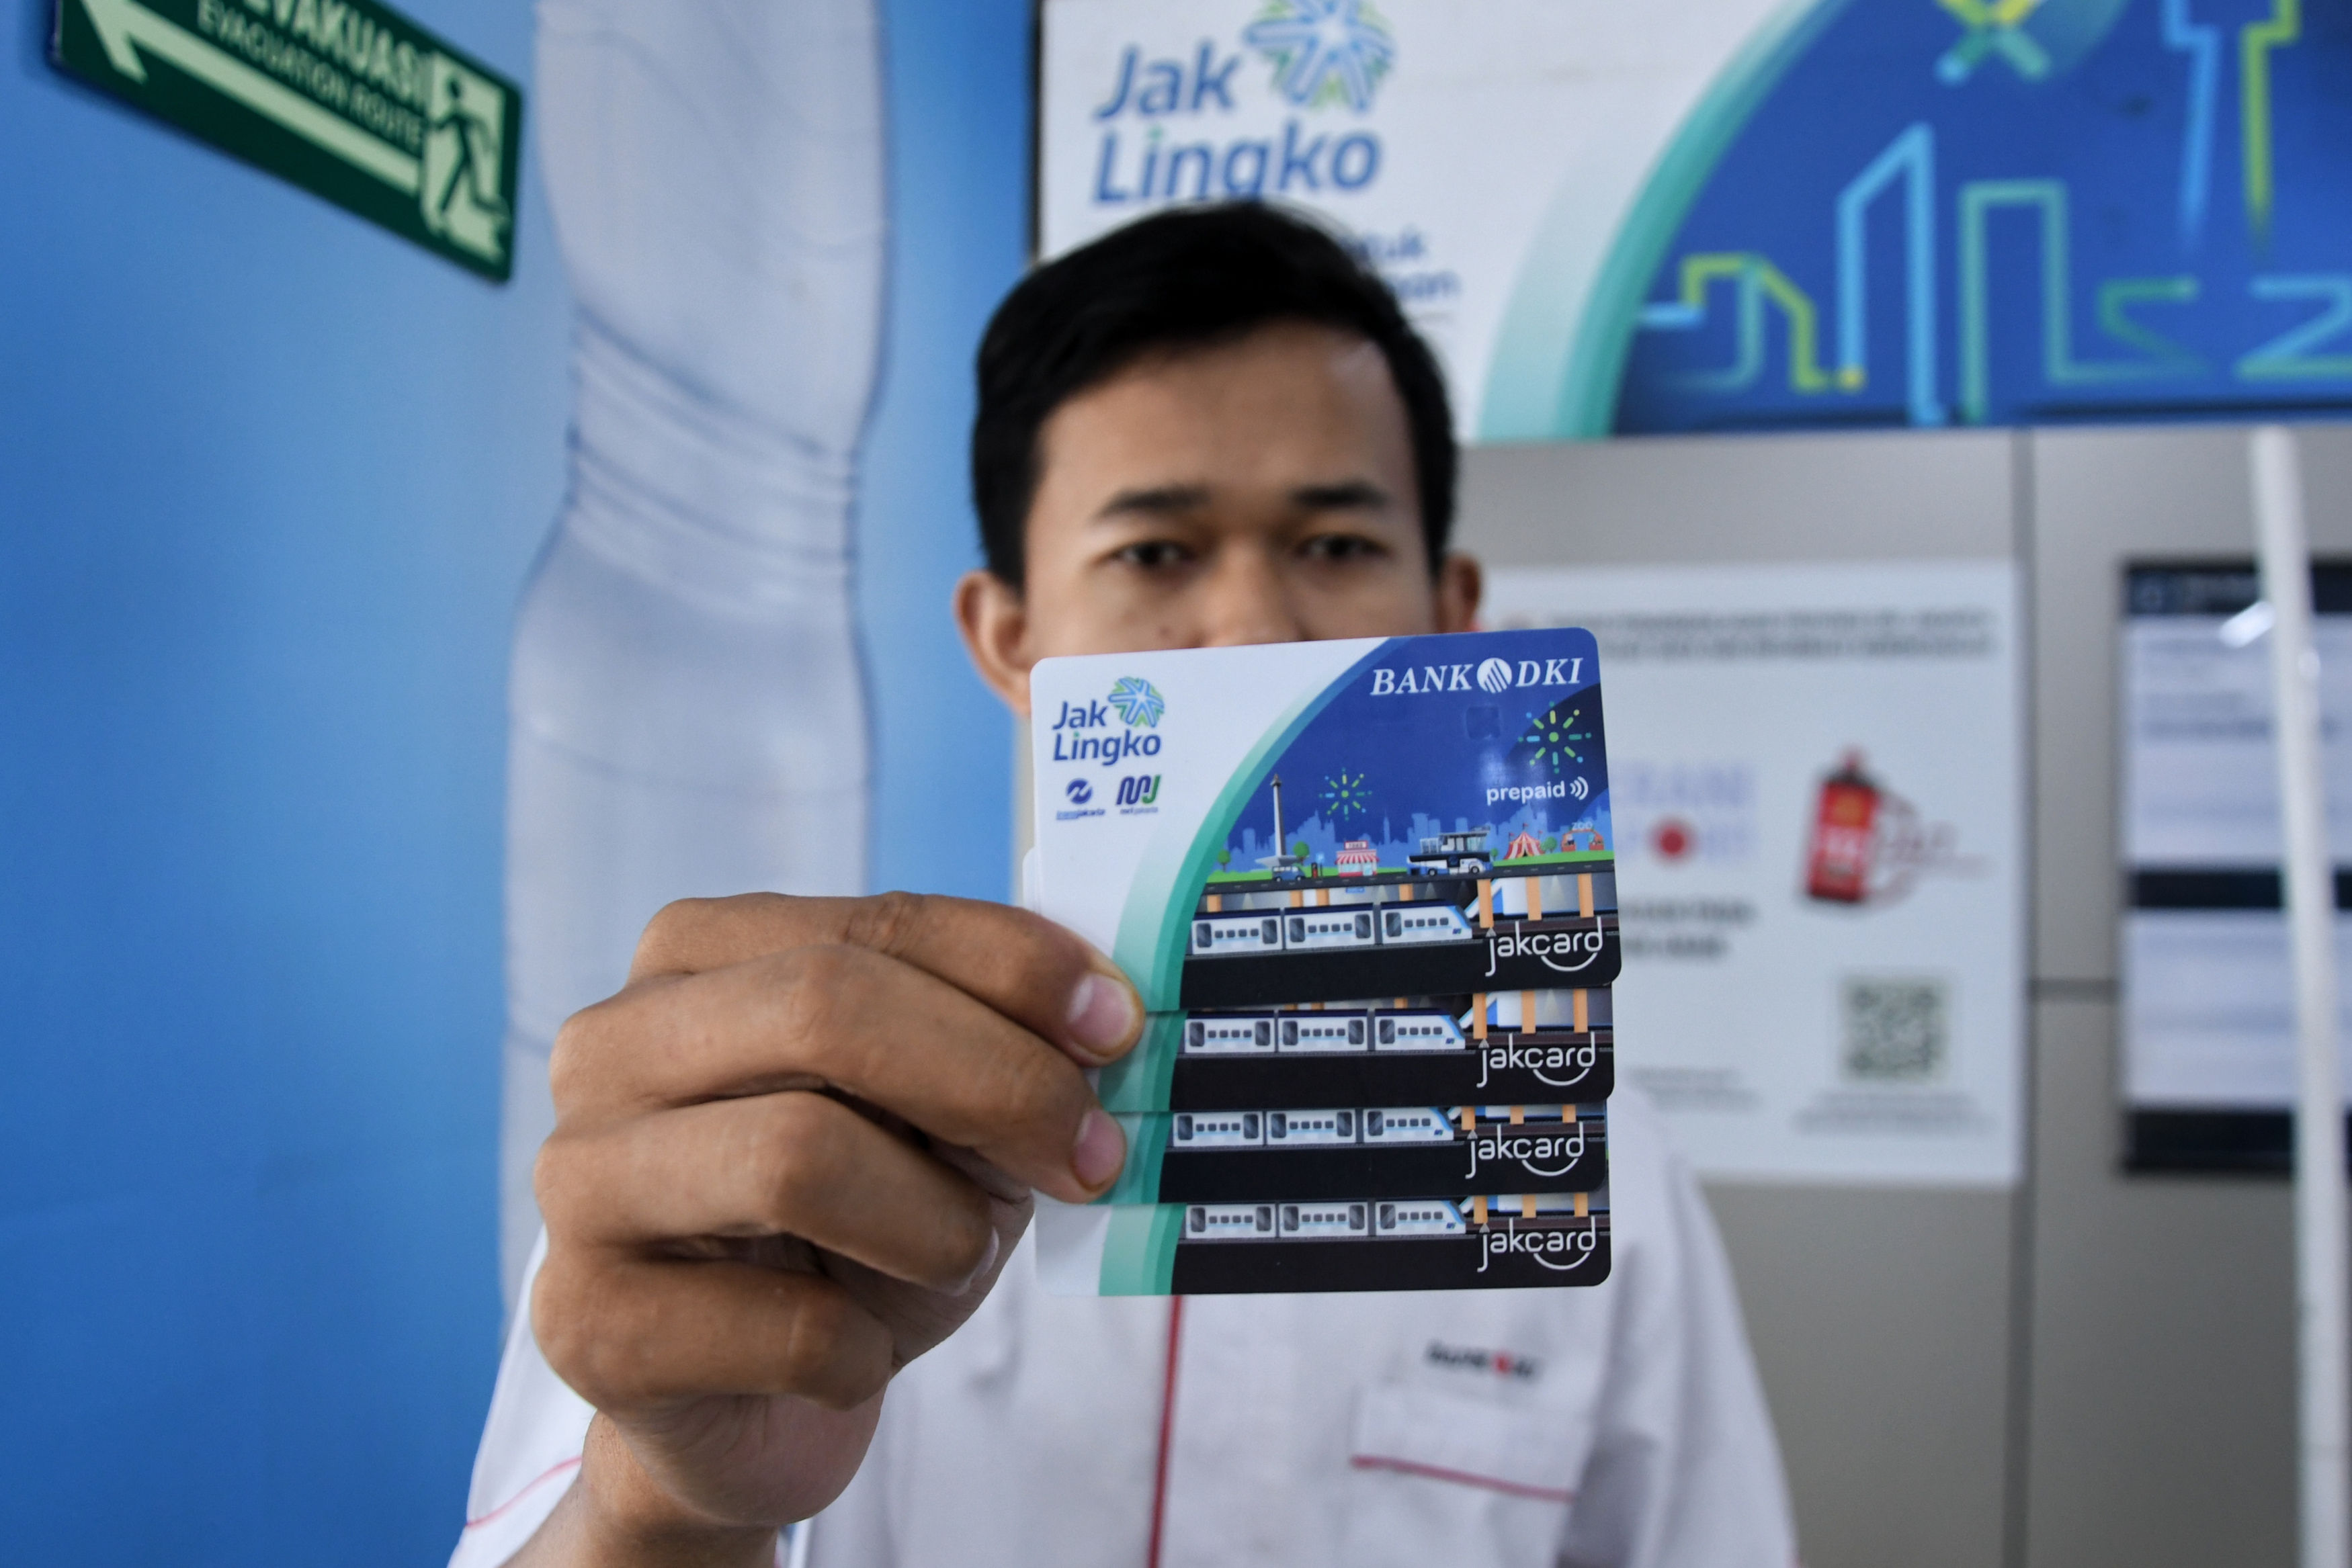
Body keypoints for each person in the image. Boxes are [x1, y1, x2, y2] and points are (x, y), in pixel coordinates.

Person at [452, 202, 1796, 1568]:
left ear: (1452, 617)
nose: (1255, 630)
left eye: (1334, 545)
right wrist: (666, 1504)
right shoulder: (772, 1137)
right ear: (1010, 637)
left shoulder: (1592, 1171)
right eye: (1154, 552)